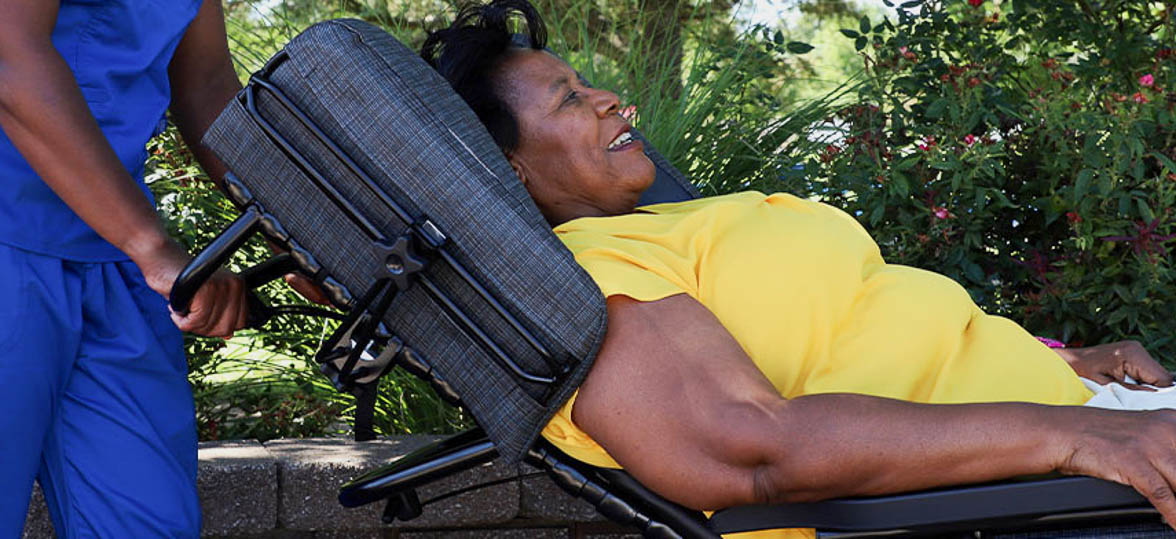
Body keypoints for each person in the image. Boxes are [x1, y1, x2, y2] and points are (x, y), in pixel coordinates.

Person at [420, 1, 1176, 537]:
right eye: (571, 99)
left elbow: (857, 334)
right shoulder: (595, 272)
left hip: (1093, 424)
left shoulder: (667, 222)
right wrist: (1081, 433)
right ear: (508, 169)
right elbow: (746, 447)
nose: (610, 98)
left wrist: (1072, 364)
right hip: (1024, 495)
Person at [0, 0, 251, 535]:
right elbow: (9, 55)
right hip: (14, 238)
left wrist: (298, 226)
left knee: (147, 522)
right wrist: (151, 245)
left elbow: (206, 84)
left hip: (112, 260)